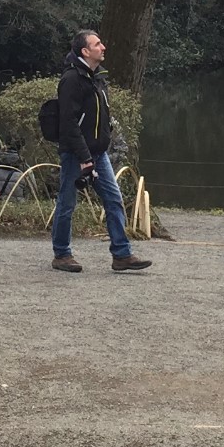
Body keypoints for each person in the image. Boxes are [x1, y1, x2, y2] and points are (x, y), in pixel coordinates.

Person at [50, 29, 151, 273]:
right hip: (76, 154)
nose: (103, 47)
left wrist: (104, 143)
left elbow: (101, 118)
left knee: (114, 200)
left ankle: (122, 254)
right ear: (85, 51)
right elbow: (69, 124)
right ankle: (62, 254)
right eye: (97, 44)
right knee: (67, 203)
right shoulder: (72, 79)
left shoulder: (98, 78)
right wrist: (84, 157)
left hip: (99, 153)